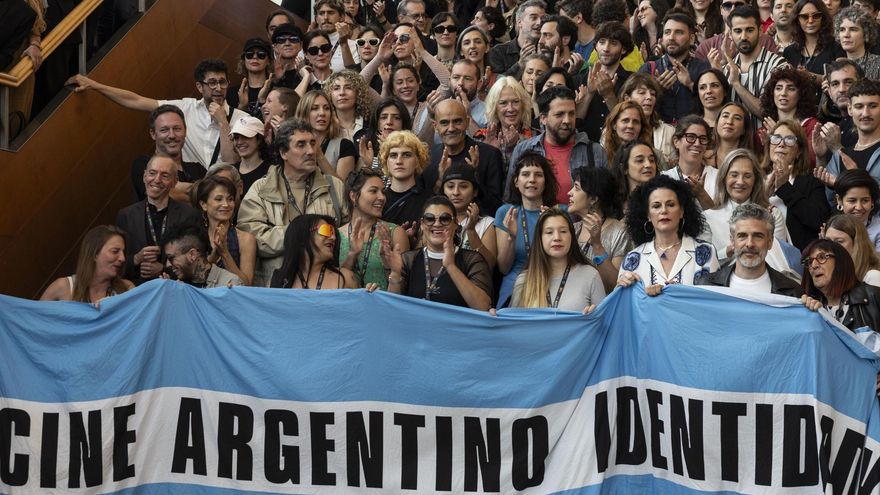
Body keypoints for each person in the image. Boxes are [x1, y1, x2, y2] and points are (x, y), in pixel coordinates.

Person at [66, 59, 247, 167]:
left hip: (223, 197)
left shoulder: (241, 119)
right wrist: (95, 86)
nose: (218, 88)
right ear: (200, 86)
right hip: (190, 191)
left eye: (222, 82)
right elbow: (136, 101)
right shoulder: (185, 108)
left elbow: (232, 162)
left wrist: (223, 123)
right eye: (212, 82)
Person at [237, 119, 348, 287]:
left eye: (313, 143)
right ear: (283, 153)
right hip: (276, 288)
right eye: (301, 145)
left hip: (324, 288)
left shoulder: (334, 186)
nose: (311, 151)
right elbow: (250, 238)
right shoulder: (261, 190)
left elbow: (347, 234)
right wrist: (299, 235)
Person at [385, 196, 493, 309]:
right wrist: (396, 274)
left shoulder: (472, 259)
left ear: (456, 223)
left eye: (445, 218)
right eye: (429, 219)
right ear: (422, 224)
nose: (437, 224)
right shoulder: (408, 259)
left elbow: (483, 306)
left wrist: (451, 266)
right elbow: (392, 307)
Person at [506, 86, 608, 205]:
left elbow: (606, 200)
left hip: (584, 223)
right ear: (543, 119)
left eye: (571, 114)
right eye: (559, 114)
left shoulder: (595, 152)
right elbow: (511, 198)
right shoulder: (524, 149)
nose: (567, 120)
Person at [617, 175, 719, 292]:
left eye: (670, 205)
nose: (664, 210)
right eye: (656, 206)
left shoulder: (706, 252)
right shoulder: (633, 259)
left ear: (681, 211)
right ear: (648, 215)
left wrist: (682, 294)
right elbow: (626, 305)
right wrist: (620, 288)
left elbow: (714, 302)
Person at [117, 155, 202, 286]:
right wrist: (136, 259)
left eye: (165, 175)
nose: (157, 180)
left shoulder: (189, 215)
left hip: (177, 291)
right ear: (145, 176)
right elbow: (116, 264)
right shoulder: (126, 215)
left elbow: (196, 263)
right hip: (138, 292)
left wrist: (163, 269)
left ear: (175, 182)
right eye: (152, 173)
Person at [704, 148, 791, 264]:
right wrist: (728, 251)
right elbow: (703, 264)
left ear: (756, 180)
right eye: (734, 175)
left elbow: (779, 262)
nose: (740, 182)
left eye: (747, 176)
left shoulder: (772, 215)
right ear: (724, 178)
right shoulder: (707, 218)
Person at [496, 152, 560, 306]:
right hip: (515, 286)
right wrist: (511, 237)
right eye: (525, 174)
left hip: (551, 283)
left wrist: (549, 228)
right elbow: (503, 268)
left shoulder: (558, 213)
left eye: (538, 175)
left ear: (545, 182)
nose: (532, 180)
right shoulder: (506, 212)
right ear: (516, 181)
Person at [510, 208, 605, 310]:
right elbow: (512, 323)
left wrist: (591, 317)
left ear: (572, 237)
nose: (557, 237)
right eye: (549, 232)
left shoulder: (590, 275)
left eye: (563, 231)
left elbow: (604, 321)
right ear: (540, 239)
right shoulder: (524, 280)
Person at [697, 203, 803, 295]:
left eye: (758, 236)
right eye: (742, 236)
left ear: (770, 242)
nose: (750, 244)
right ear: (732, 241)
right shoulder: (706, 286)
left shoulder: (792, 292)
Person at [424, 99, 504, 215]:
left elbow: (496, 208)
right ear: (435, 126)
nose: (451, 128)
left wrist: (475, 176)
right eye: (444, 123)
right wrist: (440, 180)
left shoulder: (489, 155)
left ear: (467, 122)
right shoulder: (428, 157)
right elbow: (423, 206)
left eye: (457, 121)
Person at [763, 119, 830, 250]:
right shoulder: (755, 178)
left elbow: (819, 221)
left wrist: (785, 188)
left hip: (797, 260)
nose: (781, 144)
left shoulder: (811, 181)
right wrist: (762, 197)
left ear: (799, 151)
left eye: (789, 140)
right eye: (776, 138)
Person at [716, 6, 789, 125]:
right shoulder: (725, 70)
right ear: (730, 34)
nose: (743, 37)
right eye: (738, 31)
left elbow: (770, 114)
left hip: (766, 142)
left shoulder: (778, 66)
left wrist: (736, 84)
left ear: (760, 30)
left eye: (749, 30)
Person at [339, 169, 410, 289]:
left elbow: (405, 287)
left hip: (384, 305)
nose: (382, 197)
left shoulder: (395, 233)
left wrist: (387, 263)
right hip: (348, 306)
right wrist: (352, 254)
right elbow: (334, 284)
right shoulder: (336, 235)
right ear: (353, 196)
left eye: (383, 192)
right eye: (373, 191)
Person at [639, 12, 710, 123]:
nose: (671, 38)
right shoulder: (648, 68)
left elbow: (715, 104)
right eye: (667, 32)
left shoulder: (703, 68)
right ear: (662, 38)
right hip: (655, 135)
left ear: (691, 39)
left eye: (679, 32)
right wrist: (657, 91)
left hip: (692, 135)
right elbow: (634, 107)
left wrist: (690, 84)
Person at [567, 166, 630, 291]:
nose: (570, 192)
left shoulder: (620, 231)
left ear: (593, 199)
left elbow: (615, 285)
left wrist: (597, 245)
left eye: (577, 187)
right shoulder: (572, 230)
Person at [130, 105, 206, 203]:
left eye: (177, 129)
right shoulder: (143, 164)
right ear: (153, 134)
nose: (172, 135)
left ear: (185, 131)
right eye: (164, 130)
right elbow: (161, 194)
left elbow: (215, 195)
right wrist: (202, 194)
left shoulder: (197, 169)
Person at [800, 239, 880, 331]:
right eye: (809, 261)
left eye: (822, 257)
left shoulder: (873, 296)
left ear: (840, 262)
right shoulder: (811, 308)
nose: (814, 265)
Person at [40, 225, 134, 303]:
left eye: (123, 252)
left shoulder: (127, 289)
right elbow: (35, 320)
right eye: (115, 251)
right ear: (95, 254)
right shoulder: (63, 287)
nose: (123, 258)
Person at [816, 79, 880, 193]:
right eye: (859, 106)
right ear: (850, 109)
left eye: (872, 106)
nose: (865, 113)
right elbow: (830, 203)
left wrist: (855, 180)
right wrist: (821, 158)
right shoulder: (840, 156)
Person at [194, 175, 257, 286]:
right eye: (219, 199)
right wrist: (212, 258)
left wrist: (224, 253)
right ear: (204, 204)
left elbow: (246, 285)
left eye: (230, 199)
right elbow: (195, 280)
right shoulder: (196, 238)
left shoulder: (245, 239)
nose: (226, 204)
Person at [269, 214, 359, 289]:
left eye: (333, 232)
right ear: (303, 235)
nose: (333, 238)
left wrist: (371, 294)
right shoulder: (280, 280)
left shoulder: (346, 278)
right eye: (326, 230)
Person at [581, 21, 633, 143]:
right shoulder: (582, 78)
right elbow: (576, 120)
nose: (606, 48)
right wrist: (589, 93)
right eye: (602, 42)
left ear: (624, 49)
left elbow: (629, 122)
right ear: (596, 46)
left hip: (618, 147)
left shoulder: (631, 81)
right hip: (587, 146)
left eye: (613, 43)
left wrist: (609, 95)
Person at [758, 66, 819, 164]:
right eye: (778, 88)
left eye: (791, 88)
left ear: (801, 94)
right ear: (772, 93)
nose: (783, 93)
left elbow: (810, 163)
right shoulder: (764, 129)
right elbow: (759, 167)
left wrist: (779, 136)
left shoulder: (811, 126)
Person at [293, 90, 358, 181]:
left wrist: (320, 157)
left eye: (327, 108)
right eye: (315, 108)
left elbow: (342, 190)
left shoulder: (344, 146)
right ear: (304, 113)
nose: (322, 113)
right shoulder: (294, 145)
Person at [442, 164, 498, 268]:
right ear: (443, 191)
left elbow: (489, 265)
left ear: (475, 192)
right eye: (450, 186)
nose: (456, 192)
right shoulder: (433, 221)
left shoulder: (487, 223)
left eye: (463, 186)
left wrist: (471, 231)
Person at [475, 76, 535, 165]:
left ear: (523, 105)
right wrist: (488, 151)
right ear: (494, 108)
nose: (510, 109)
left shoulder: (535, 138)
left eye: (515, 102)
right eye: (503, 103)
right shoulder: (481, 137)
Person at [162, 224, 244, 288]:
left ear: (192, 254)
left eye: (171, 258)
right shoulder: (176, 286)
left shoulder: (230, 284)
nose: (168, 264)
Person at [380, 130, 433, 227]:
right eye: (393, 155)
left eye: (407, 155)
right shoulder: (378, 200)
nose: (399, 161)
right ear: (386, 162)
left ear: (418, 161)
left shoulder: (430, 202)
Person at [662, 116, 717, 210]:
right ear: (676, 142)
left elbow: (725, 216)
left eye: (703, 139)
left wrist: (702, 195)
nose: (697, 143)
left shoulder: (718, 177)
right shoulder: (663, 178)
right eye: (691, 137)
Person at [620, 73, 675, 162]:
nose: (649, 97)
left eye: (653, 94)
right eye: (642, 92)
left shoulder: (669, 132)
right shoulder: (612, 130)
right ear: (627, 98)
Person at [782, 0, 843, 79]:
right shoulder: (789, 52)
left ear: (823, 18)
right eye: (804, 17)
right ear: (797, 20)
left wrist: (810, 76)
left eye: (816, 16)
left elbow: (841, 80)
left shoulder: (836, 47)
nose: (810, 21)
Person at [488, 0, 547, 76]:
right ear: (519, 22)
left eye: (542, 19)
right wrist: (519, 65)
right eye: (533, 18)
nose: (539, 23)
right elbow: (497, 85)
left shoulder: (547, 52)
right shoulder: (498, 52)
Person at [816, 58, 862, 150]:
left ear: (861, 84)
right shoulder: (834, 127)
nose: (841, 89)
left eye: (848, 82)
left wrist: (836, 148)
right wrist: (820, 157)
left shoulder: (869, 123)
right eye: (835, 84)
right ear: (829, 92)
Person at [355, 96, 412, 170]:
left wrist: (389, 151)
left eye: (397, 118)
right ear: (377, 122)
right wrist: (370, 164)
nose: (389, 122)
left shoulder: (412, 149)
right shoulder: (368, 148)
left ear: (403, 123)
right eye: (384, 117)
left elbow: (399, 179)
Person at [824, 213, 880, 285]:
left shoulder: (872, 276)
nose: (831, 247)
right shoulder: (830, 273)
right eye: (828, 241)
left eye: (839, 242)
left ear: (857, 244)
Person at [325, 69, 377, 144]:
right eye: (336, 88)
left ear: (358, 93)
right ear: (329, 94)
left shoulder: (371, 124)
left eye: (348, 87)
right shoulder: (325, 127)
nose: (342, 93)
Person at [833, 169, 880, 250]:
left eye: (865, 200)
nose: (859, 207)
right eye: (852, 201)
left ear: (872, 201)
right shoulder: (831, 229)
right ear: (839, 200)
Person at [229, 38, 273, 118]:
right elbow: (229, 126)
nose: (255, 57)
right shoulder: (232, 92)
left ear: (268, 61)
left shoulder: (276, 91)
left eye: (261, 54)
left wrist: (262, 101)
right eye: (249, 54)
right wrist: (242, 106)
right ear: (243, 60)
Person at [610, 139, 658, 213]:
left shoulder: (665, 197)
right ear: (625, 168)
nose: (648, 165)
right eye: (640, 160)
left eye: (652, 160)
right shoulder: (612, 203)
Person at [229, 115, 272, 197]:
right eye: (236, 138)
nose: (239, 142)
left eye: (245, 137)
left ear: (259, 139)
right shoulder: (230, 172)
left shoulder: (271, 172)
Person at [600, 101, 653, 165]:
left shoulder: (653, 155)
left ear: (641, 127)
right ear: (614, 125)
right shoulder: (601, 155)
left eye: (636, 122)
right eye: (625, 120)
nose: (630, 126)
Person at [835, 6, 880, 80]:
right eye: (842, 29)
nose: (846, 35)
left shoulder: (878, 64)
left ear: (866, 33)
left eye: (853, 29)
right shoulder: (835, 68)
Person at [708, 102, 755, 169]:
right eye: (725, 116)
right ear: (717, 123)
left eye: (737, 118)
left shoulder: (752, 163)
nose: (729, 122)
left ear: (744, 129)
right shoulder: (702, 158)